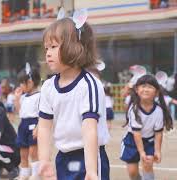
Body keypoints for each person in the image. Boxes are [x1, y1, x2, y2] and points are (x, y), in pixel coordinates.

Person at [37, 16, 110, 179]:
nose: (48, 53)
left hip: (90, 156)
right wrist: (44, 160)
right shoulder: (48, 87)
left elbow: (90, 128)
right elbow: (44, 126)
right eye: (46, 48)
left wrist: (91, 170)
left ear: (75, 47)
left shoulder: (89, 84)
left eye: (53, 47)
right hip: (63, 157)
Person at [120, 75, 173, 180]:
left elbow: (158, 133)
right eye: (143, 86)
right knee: (132, 173)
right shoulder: (134, 109)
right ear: (136, 90)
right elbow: (137, 133)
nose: (146, 89)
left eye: (150, 87)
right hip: (132, 141)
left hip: (149, 141)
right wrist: (141, 152)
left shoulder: (159, 111)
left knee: (148, 166)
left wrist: (157, 151)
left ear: (156, 92)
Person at [14, 65, 41, 180]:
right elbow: (19, 111)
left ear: (30, 82)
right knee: (23, 151)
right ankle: (24, 173)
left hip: (34, 123)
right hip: (23, 124)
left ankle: (36, 174)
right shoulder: (23, 97)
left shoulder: (40, 96)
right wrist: (16, 99)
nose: (20, 85)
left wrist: (38, 127)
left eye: (22, 83)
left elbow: (43, 114)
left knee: (33, 152)